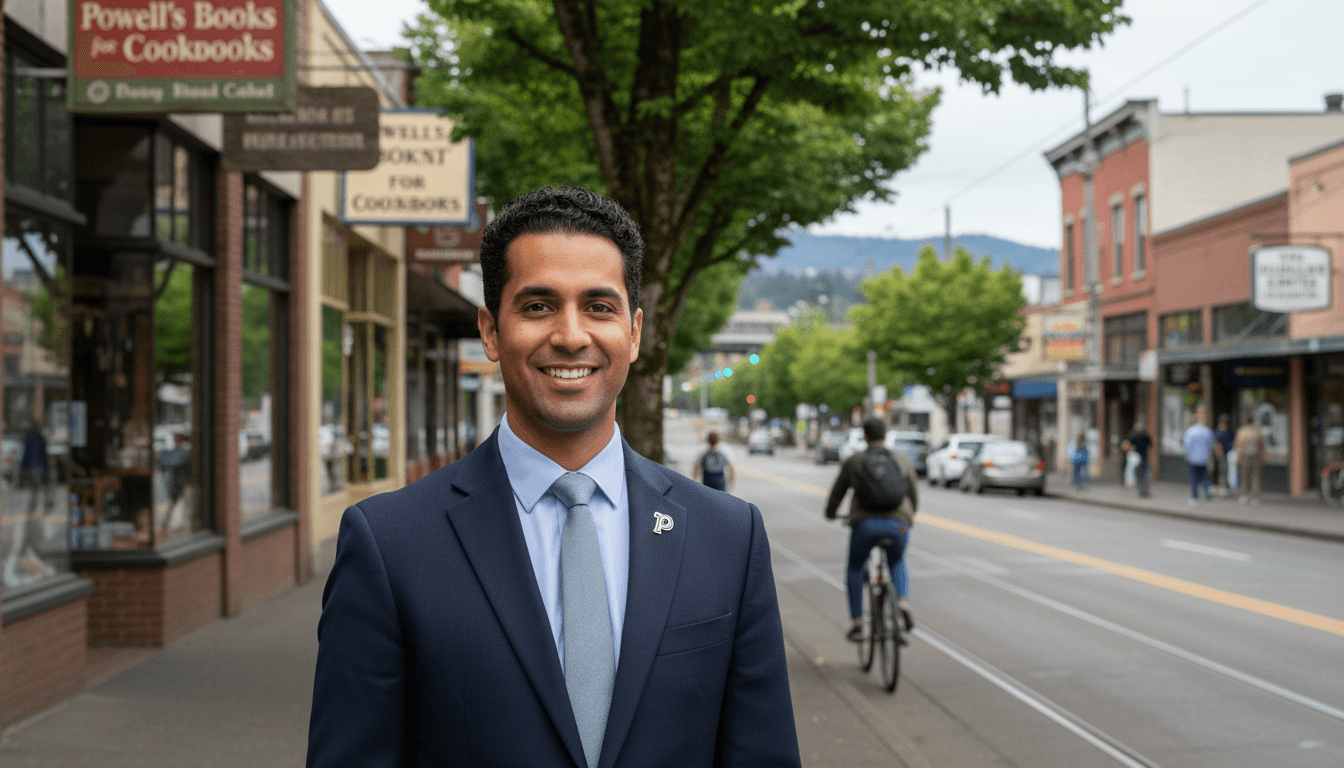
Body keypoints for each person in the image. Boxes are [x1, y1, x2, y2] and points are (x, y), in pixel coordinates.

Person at [307, 187, 800, 768]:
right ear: (491, 332)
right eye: (538, 306)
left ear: (634, 332)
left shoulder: (729, 537)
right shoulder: (389, 544)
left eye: (599, 306)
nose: (570, 335)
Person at [824, 418, 919, 643]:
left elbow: (838, 492)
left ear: (865, 437)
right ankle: (902, 600)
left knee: (855, 567)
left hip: (865, 524)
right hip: (898, 523)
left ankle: (857, 623)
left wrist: (830, 513)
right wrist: (910, 515)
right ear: (885, 436)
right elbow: (912, 492)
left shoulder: (855, 461)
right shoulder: (900, 459)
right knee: (897, 561)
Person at [1183, 407, 1216, 504]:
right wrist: (1209, 456)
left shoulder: (1191, 431)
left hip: (1193, 459)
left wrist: (1187, 455)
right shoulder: (1207, 431)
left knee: (1194, 479)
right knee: (1204, 477)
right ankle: (1206, 493)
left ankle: (1195, 497)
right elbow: (1211, 445)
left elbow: (1187, 445)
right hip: (1204, 459)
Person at [1234, 414, 1267, 505]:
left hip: (1245, 456)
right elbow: (1262, 444)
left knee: (1244, 477)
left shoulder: (1242, 431)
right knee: (1255, 477)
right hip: (1256, 456)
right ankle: (1255, 498)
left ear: (1245, 422)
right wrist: (1263, 456)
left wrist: (1238, 458)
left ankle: (1244, 496)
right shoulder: (1257, 431)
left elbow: (1240, 445)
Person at [1121, 419, 1152, 498]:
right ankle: (1146, 491)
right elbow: (1151, 445)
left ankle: (1140, 492)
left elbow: (1126, 445)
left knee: (1138, 476)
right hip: (1144, 457)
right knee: (1145, 475)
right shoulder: (1145, 436)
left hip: (1136, 458)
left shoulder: (1133, 436)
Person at [1212, 414, 1235, 496]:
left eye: (1224, 422)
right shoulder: (1216, 432)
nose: (1223, 424)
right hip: (1219, 455)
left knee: (1226, 470)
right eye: (1222, 422)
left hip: (1227, 454)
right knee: (1220, 470)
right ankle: (1219, 486)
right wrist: (1218, 451)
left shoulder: (1229, 432)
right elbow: (1214, 443)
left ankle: (1225, 487)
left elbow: (1231, 443)